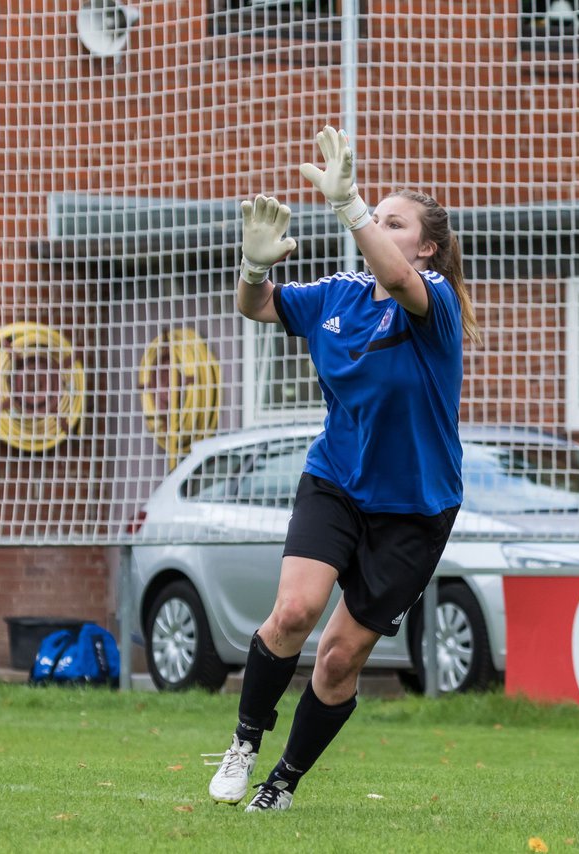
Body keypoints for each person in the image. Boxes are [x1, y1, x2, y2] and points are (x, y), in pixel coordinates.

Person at [206, 126, 479, 812]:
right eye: (374, 218)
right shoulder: (339, 294)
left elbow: (396, 277)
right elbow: (258, 306)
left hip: (416, 508)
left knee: (337, 660)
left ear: (426, 246)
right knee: (294, 611)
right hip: (337, 480)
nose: (378, 229)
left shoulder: (433, 300)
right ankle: (244, 743)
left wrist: (351, 202)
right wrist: (252, 267)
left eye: (395, 222)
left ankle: (284, 781)